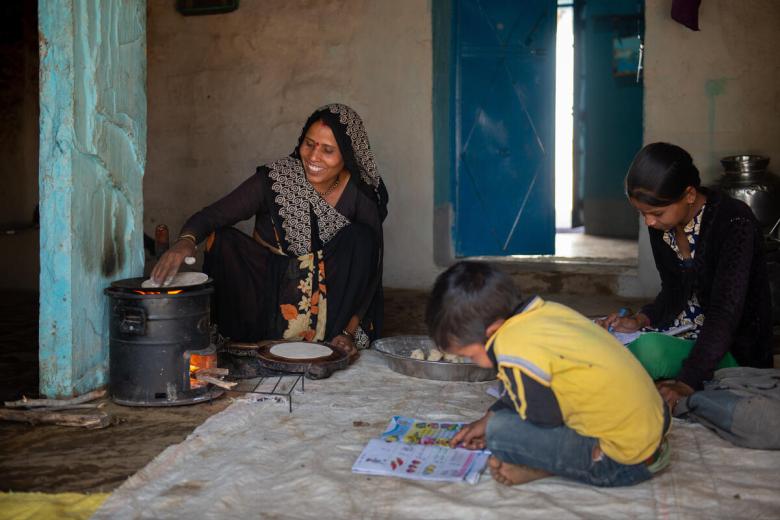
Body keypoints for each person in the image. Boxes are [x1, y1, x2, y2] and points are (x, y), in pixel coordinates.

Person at [151, 103, 388, 357]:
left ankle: (331, 338)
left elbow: (368, 272)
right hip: (266, 299)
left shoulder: (359, 195)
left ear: (348, 155)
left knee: (362, 240)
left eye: (328, 150)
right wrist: (185, 242)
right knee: (223, 239)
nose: (313, 157)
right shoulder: (277, 179)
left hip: (329, 311)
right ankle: (244, 339)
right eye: (309, 144)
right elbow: (213, 215)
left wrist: (348, 333)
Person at [426, 261, 669, 487]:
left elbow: (544, 420)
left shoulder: (512, 348)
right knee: (503, 412)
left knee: (500, 433)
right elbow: (532, 386)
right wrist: (487, 417)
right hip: (654, 427)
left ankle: (546, 467)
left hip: (620, 462)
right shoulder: (545, 312)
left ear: (492, 331)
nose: (475, 363)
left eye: (470, 354)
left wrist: (493, 429)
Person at [598, 143, 773, 410]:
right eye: (641, 213)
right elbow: (672, 291)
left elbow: (725, 313)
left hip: (730, 347)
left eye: (655, 213)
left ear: (689, 195)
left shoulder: (735, 222)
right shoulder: (663, 225)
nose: (649, 223)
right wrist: (639, 320)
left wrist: (687, 382)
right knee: (603, 338)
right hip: (684, 331)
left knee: (647, 353)